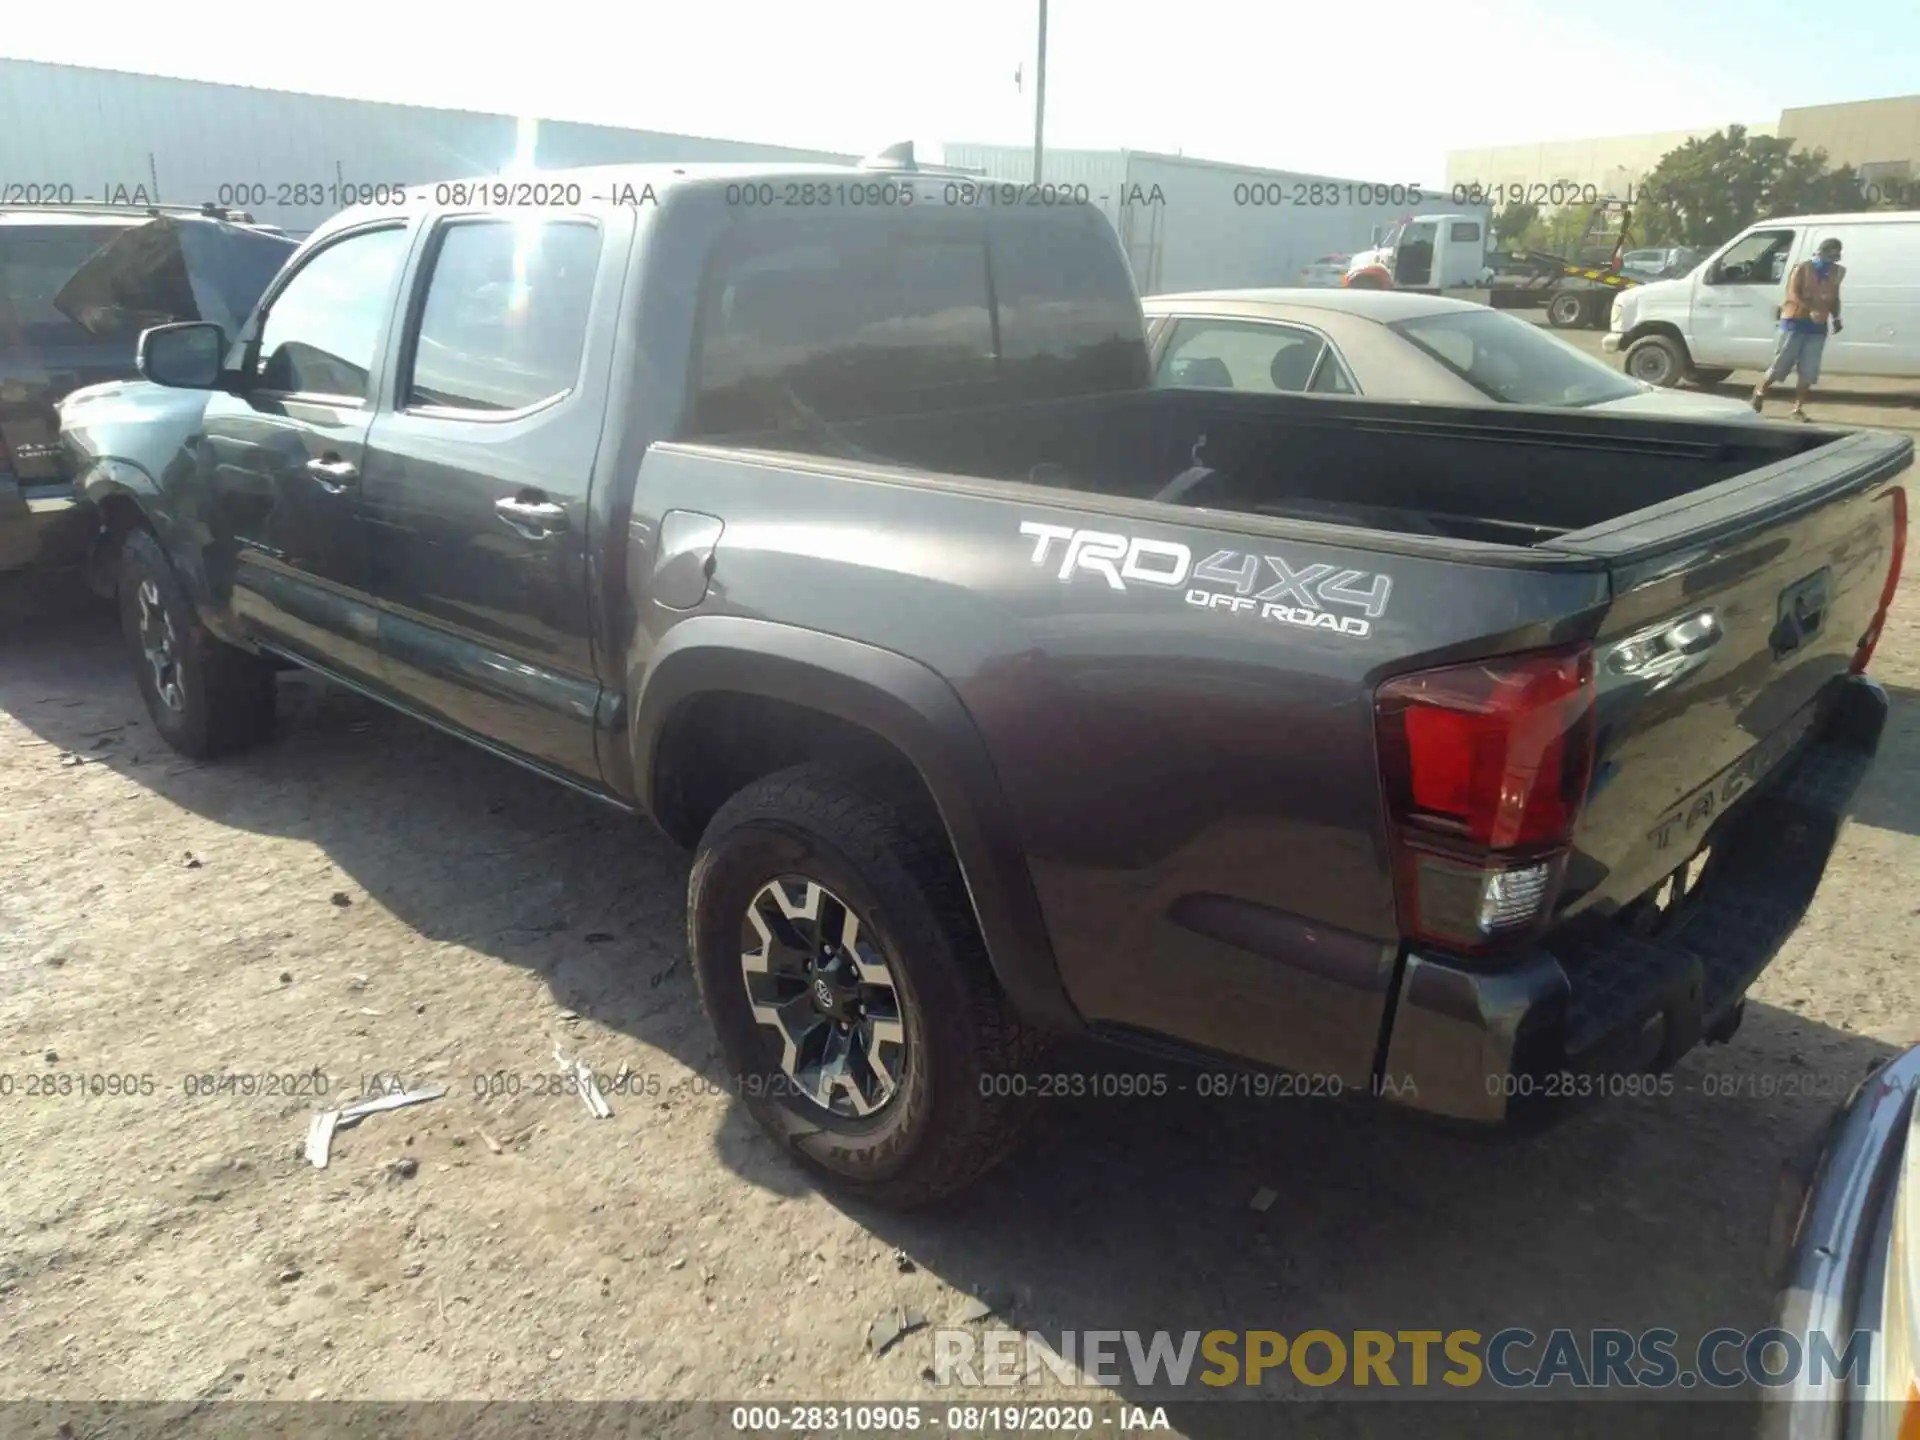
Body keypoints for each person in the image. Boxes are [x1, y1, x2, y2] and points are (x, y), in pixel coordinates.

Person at [1751, 238, 1844, 420]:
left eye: (1836, 254)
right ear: (1822, 252)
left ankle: (1797, 409)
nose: (1833, 259)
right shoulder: (1802, 268)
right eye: (1831, 254)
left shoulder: (1836, 272)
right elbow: (1793, 295)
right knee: (1780, 365)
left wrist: (1837, 318)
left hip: (1817, 328)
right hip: (1794, 322)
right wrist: (1811, 310)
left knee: (1808, 370)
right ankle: (1760, 391)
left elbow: (1835, 297)